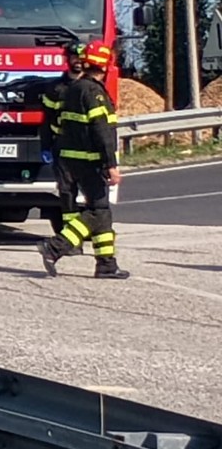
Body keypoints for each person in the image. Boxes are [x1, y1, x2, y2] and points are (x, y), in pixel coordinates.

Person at [37, 41, 128, 279]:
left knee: (102, 211)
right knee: (97, 210)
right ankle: (55, 247)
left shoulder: (72, 89)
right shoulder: (94, 93)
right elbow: (102, 131)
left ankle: (106, 264)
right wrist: (111, 165)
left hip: (69, 159)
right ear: (105, 66)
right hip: (90, 161)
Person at [40, 42, 86, 240]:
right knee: (67, 193)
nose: (78, 61)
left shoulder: (92, 87)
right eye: (74, 57)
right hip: (63, 148)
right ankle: (69, 237)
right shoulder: (56, 88)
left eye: (82, 57)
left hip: (88, 149)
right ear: (68, 59)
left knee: (92, 197)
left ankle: (83, 233)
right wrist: (46, 146)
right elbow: (47, 120)